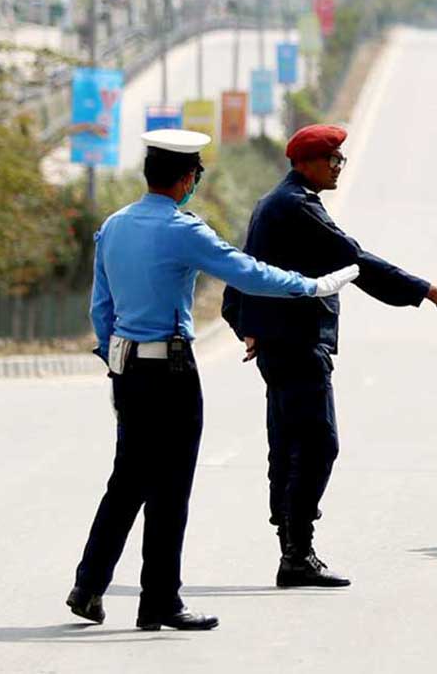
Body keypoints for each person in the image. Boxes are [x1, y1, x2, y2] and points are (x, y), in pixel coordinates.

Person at [69, 129, 360, 631]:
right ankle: (159, 601)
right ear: (188, 179)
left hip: (126, 367)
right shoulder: (184, 230)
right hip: (170, 372)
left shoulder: (114, 225)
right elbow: (250, 273)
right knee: (171, 486)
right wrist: (312, 286)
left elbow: (102, 307)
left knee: (127, 480)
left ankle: (89, 586)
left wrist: (113, 358)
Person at [221, 124, 437, 589]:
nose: (338, 167)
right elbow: (356, 262)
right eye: (332, 159)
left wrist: (246, 325)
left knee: (289, 445)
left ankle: (293, 550)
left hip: (280, 342)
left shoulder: (274, 202)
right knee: (318, 444)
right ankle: (297, 553)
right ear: (306, 163)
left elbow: (242, 273)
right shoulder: (296, 206)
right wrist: (430, 292)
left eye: (341, 160)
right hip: (298, 343)